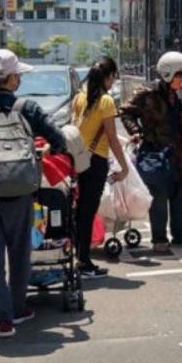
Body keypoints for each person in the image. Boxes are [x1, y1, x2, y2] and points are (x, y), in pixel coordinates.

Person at [0, 49, 67, 339]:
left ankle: (3, 320)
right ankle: (19, 308)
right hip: (21, 193)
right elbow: (59, 140)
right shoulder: (28, 108)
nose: (19, 78)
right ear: (11, 78)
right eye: (18, 74)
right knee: (20, 252)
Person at [120, 51, 182, 253]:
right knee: (158, 197)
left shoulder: (180, 94)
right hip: (154, 153)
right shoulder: (147, 93)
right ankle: (159, 239)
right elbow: (125, 112)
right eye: (179, 76)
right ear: (167, 74)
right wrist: (136, 131)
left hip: (179, 154)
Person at [71, 57, 130, 278]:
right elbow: (113, 138)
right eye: (113, 76)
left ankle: (79, 256)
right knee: (87, 211)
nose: (114, 80)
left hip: (78, 159)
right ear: (106, 76)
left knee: (80, 211)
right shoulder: (106, 102)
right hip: (95, 161)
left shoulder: (79, 97)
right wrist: (124, 167)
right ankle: (84, 263)